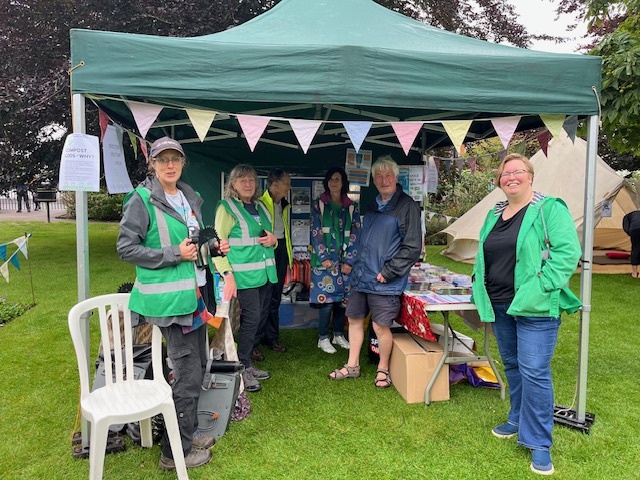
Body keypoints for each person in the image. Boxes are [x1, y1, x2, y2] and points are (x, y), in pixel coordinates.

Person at [117, 136, 228, 471]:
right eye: (162, 159)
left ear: (182, 163)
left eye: (175, 159)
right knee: (188, 374)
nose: (169, 165)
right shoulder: (141, 200)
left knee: (198, 369)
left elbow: (193, 246)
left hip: (195, 297)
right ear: (152, 163)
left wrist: (212, 248)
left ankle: (187, 432)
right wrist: (173, 254)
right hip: (170, 304)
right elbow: (126, 248)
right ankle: (173, 453)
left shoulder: (188, 197)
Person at [470, 153, 582, 476]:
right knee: (514, 365)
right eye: (506, 173)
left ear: (530, 176)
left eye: (518, 171)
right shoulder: (494, 214)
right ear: (500, 181)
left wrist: (544, 284)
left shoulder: (549, 209)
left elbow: (567, 253)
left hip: (535, 305)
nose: (511, 177)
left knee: (534, 370)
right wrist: (480, 280)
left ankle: (539, 442)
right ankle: (517, 418)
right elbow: (485, 253)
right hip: (501, 303)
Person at [328, 155, 422, 388]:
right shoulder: (371, 205)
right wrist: (353, 264)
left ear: (396, 177)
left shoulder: (406, 206)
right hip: (362, 276)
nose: (383, 179)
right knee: (355, 320)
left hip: (384, 279)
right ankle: (352, 366)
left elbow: (412, 247)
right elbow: (362, 240)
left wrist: (389, 271)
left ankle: (383, 369)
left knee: (380, 326)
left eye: (387, 175)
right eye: (378, 176)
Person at [211, 164, 278, 393]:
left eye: (251, 180)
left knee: (259, 320)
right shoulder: (226, 208)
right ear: (233, 185)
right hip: (244, 276)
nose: (248, 184)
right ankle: (243, 366)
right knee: (251, 320)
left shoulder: (261, 207)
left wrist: (274, 241)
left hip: (266, 274)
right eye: (242, 180)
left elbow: (270, 238)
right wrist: (227, 275)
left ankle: (247, 360)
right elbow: (217, 246)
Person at [310, 167, 361, 353]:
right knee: (327, 301)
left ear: (343, 182)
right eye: (331, 179)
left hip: (344, 261)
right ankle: (323, 338)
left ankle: (338, 335)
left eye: (337, 179)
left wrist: (349, 261)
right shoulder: (319, 204)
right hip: (325, 262)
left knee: (342, 301)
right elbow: (315, 232)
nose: (334, 182)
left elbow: (357, 234)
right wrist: (323, 257)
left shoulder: (351, 206)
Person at [253, 169, 292, 361]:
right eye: (287, 182)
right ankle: (254, 342)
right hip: (265, 251)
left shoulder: (283, 204)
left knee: (276, 296)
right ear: (274, 185)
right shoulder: (259, 202)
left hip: (281, 249)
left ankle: (272, 338)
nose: (289, 187)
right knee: (263, 298)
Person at [622, 209, 640, 278]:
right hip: (635, 228)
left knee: (635, 249)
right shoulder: (633, 215)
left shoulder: (627, 217)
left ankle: (634, 273)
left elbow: (626, 227)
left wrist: (631, 233)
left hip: (634, 229)